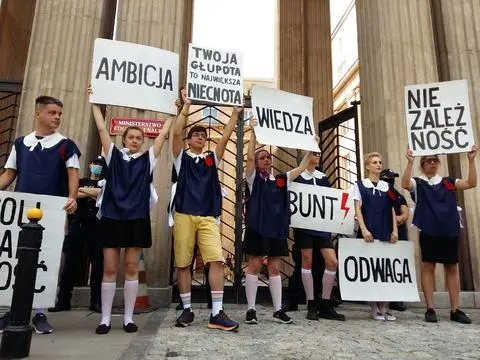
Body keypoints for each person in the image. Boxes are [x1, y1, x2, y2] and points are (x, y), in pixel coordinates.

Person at [89, 89, 176, 335]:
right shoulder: (113, 156)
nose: (135, 140)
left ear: (142, 141)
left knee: (130, 268)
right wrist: (96, 105)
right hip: (112, 217)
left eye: (139, 137)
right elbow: (102, 130)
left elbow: (162, 135)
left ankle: (128, 317)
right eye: (131, 137)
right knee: (108, 268)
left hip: (136, 218)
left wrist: (172, 113)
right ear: (124, 139)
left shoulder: (147, 159)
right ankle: (105, 319)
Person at [0, 95, 80, 334]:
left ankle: (39, 313)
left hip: (51, 210)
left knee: (45, 260)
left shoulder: (66, 145)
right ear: (38, 114)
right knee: (15, 258)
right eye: (52, 112)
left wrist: (72, 197)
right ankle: (13, 310)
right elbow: (9, 174)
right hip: (21, 209)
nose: (57, 117)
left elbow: (73, 174)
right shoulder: (20, 143)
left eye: (59, 114)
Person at [172, 89, 240, 331]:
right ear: (189, 141)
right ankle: (187, 309)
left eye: (203, 135)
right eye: (196, 135)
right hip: (184, 213)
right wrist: (186, 107)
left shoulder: (212, 158)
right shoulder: (182, 158)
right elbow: (177, 131)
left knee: (216, 261)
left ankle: (217, 312)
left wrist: (234, 114)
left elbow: (224, 139)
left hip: (208, 215)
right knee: (183, 263)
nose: (201, 137)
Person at [243, 117, 313, 325]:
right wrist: (253, 132)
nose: (267, 160)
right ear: (256, 163)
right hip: (258, 226)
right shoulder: (253, 178)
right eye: (262, 157)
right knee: (254, 265)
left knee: (274, 268)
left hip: (276, 228)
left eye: (268, 157)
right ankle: (251, 309)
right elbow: (248, 159)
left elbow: (301, 168)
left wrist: (311, 147)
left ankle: (277, 310)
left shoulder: (280, 179)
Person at [401, 146, 477, 324]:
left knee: (452, 268)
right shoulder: (418, 183)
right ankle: (430, 308)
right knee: (428, 267)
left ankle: (455, 309)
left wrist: (471, 160)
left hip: (449, 229)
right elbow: (405, 183)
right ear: (423, 164)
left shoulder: (448, 181)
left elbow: (471, 183)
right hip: (428, 230)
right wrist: (409, 162)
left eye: (435, 160)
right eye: (429, 160)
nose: (433, 163)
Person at [48, 156, 106, 314]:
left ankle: (96, 302)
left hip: (97, 227)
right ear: (90, 164)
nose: (97, 166)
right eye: (95, 163)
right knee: (70, 265)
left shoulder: (104, 182)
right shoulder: (80, 181)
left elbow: (102, 194)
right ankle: (63, 301)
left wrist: (85, 192)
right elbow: (72, 194)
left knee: (98, 266)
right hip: (77, 225)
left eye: (100, 164)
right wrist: (91, 193)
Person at [292, 151, 345, 321]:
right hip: (304, 225)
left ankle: (326, 302)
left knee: (332, 261)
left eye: (319, 153)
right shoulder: (298, 176)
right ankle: (311, 302)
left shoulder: (323, 178)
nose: (318, 156)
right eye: (314, 153)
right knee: (307, 260)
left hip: (322, 226)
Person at [353, 152, 398, 321]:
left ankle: (385, 307)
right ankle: (373, 307)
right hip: (369, 230)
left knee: (386, 270)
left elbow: (392, 209)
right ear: (367, 166)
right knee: (371, 269)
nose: (378, 164)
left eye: (380, 162)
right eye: (374, 162)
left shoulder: (388, 187)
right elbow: (358, 208)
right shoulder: (360, 185)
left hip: (385, 230)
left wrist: (395, 230)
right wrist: (364, 229)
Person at [380, 168, 409, 312]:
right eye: (388, 178)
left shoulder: (399, 196)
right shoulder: (377, 193)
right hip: (383, 236)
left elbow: (405, 214)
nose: (391, 181)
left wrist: (395, 220)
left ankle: (397, 299)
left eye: (392, 178)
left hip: (399, 235)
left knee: (397, 268)